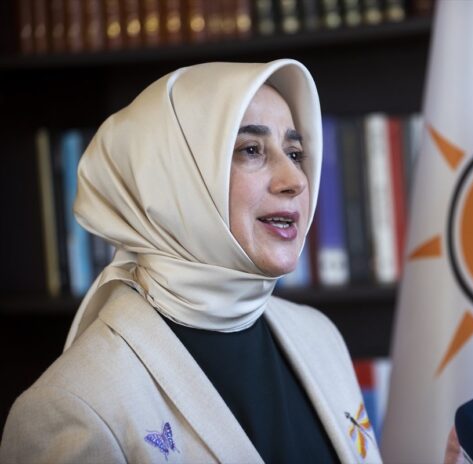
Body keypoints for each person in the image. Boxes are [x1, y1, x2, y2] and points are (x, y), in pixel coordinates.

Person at [0, 60, 382, 463]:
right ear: (173, 180)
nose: (296, 180)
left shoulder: (320, 336)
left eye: (295, 152)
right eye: (251, 150)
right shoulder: (70, 407)